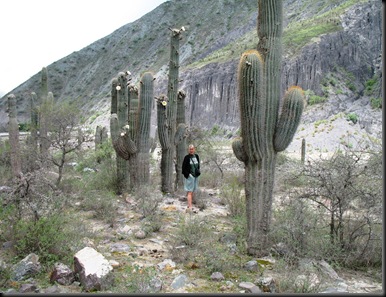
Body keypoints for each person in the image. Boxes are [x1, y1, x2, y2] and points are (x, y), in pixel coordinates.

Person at [182, 144, 200, 213]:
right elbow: (183, 169)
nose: (191, 150)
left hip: (196, 176)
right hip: (190, 177)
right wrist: (189, 175)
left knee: (192, 191)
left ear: (194, 149)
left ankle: (189, 205)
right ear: (188, 150)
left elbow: (198, 166)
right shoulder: (186, 157)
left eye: (192, 149)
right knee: (189, 192)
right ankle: (190, 206)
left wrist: (197, 173)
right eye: (190, 149)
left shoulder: (197, 156)